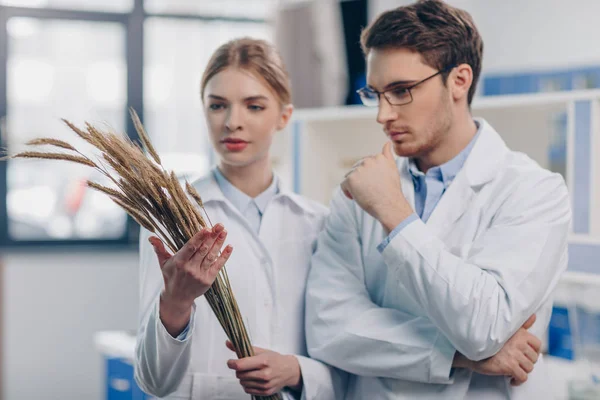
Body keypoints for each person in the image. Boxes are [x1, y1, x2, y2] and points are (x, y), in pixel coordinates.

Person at [304, 1, 571, 399]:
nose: (382, 114)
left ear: (459, 80)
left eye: (401, 91)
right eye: (375, 93)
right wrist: (457, 356)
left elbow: (484, 325)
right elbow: (328, 328)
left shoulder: (535, 192)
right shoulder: (356, 192)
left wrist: (395, 214)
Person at [134, 38, 346, 400]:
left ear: (284, 116)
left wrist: (296, 371)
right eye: (218, 106)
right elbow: (153, 380)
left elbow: (345, 359)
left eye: (254, 106)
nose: (233, 122)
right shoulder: (169, 220)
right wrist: (176, 302)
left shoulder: (319, 222)